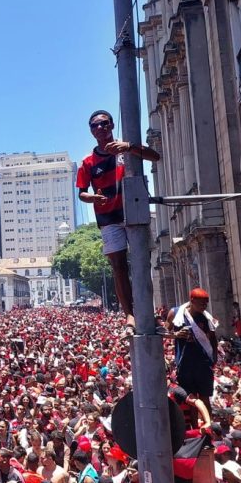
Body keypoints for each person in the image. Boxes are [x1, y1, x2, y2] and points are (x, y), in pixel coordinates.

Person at [75, 109, 160, 329]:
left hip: (132, 210)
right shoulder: (87, 162)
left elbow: (156, 156)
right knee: (118, 266)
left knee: (142, 261)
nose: (100, 128)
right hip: (107, 217)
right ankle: (129, 314)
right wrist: (91, 197)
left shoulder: (126, 149)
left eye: (104, 124)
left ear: (112, 126)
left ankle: (147, 310)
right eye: (95, 126)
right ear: (91, 132)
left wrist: (130, 147)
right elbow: (81, 192)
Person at [165, 288, 219, 411]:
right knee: (191, 400)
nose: (204, 306)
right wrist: (176, 334)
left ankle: (208, 427)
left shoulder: (206, 318)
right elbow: (163, 332)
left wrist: (214, 357)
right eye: (201, 303)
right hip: (185, 365)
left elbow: (213, 339)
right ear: (192, 301)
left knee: (205, 398)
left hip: (203, 364)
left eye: (206, 303)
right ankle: (195, 427)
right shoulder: (175, 313)